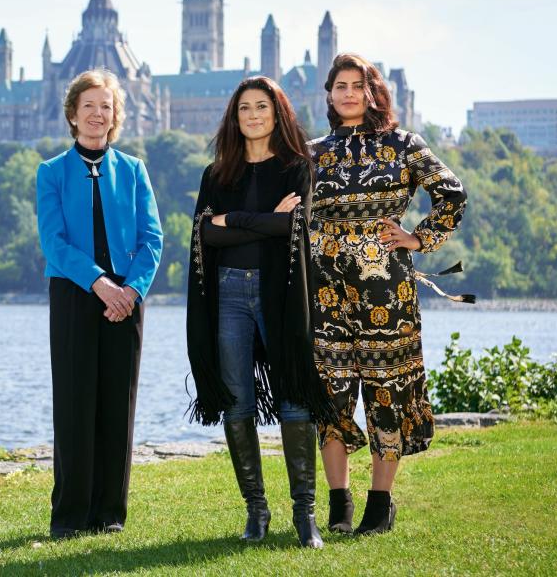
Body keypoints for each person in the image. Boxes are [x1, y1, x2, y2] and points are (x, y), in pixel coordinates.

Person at [310, 53, 469, 536]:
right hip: (324, 290)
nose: (350, 93)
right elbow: (292, 210)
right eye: (340, 85)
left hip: (387, 288)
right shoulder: (312, 151)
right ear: (330, 95)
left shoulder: (403, 145)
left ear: (374, 91)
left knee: (386, 390)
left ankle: (380, 503)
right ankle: (339, 502)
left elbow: (452, 192)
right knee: (330, 393)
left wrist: (419, 239)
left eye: (359, 85)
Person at [186, 77, 337, 548]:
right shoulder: (217, 175)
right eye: (244, 108)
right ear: (234, 117)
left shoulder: (297, 168)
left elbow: (294, 226)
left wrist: (232, 220)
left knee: (295, 396)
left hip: (281, 294)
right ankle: (256, 511)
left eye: (262, 107)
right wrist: (264, 221)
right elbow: (206, 236)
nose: (253, 115)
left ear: (278, 114)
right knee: (236, 402)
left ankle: (305, 515)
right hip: (228, 293)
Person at [35, 69, 164, 539]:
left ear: (115, 117)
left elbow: (153, 237)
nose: (96, 114)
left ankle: (109, 514)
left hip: (128, 299)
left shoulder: (133, 170)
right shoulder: (51, 172)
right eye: (88, 106)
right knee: (74, 405)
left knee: (117, 405)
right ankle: (69, 517)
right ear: (72, 115)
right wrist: (98, 283)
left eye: (105, 106)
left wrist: (130, 290)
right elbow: (54, 242)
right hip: (73, 294)